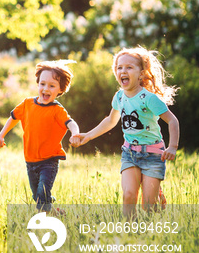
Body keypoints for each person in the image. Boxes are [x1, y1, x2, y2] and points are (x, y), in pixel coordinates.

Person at [71, 47, 179, 218]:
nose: (123, 71)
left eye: (129, 67)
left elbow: (172, 121)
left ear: (141, 73)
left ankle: (155, 197)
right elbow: (110, 121)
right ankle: (129, 233)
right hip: (130, 153)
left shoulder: (149, 98)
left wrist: (172, 146)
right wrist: (88, 135)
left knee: (149, 207)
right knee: (129, 195)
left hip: (153, 154)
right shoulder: (119, 97)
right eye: (119, 67)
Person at [0, 60, 80, 213]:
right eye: (42, 84)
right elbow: (13, 118)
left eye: (52, 86)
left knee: (41, 195)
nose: (46, 89)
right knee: (37, 197)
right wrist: (0, 136)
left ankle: (44, 221)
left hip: (49, 161)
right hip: (30, 161)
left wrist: (75, 133)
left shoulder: (57, 110)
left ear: (60, 89)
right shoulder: (27, 104)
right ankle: (54, 211)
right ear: (38, 84)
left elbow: (71, 123)